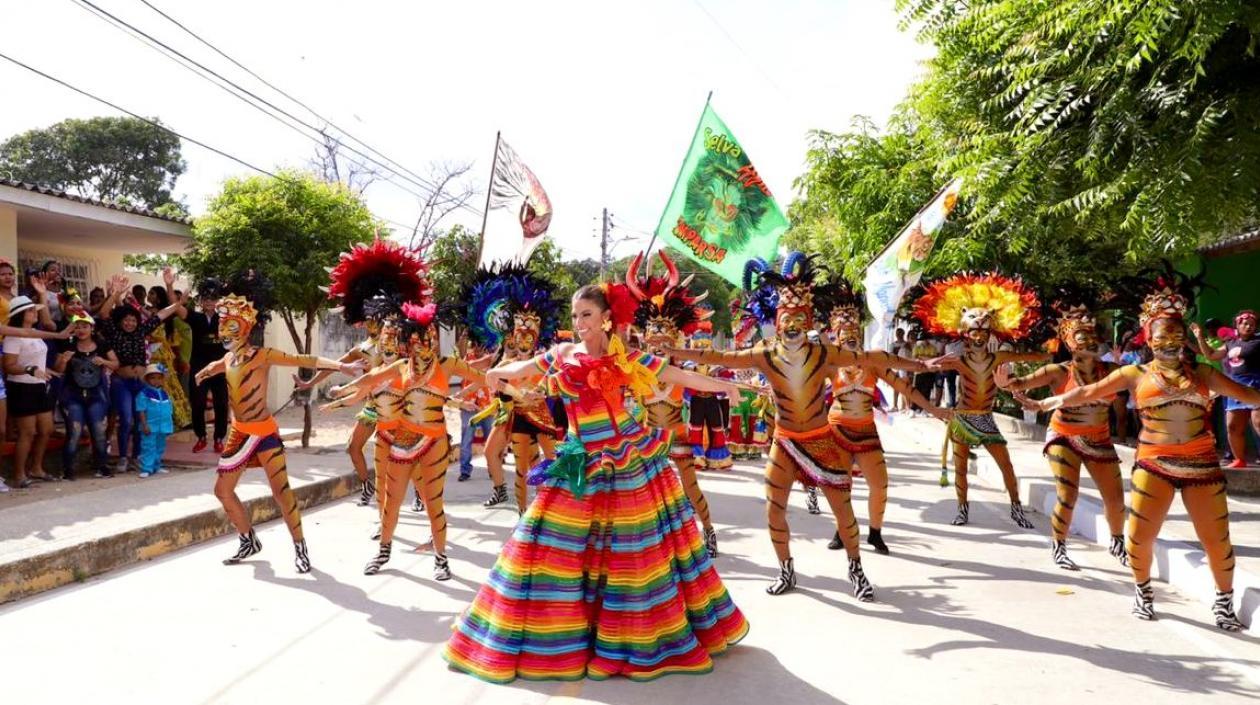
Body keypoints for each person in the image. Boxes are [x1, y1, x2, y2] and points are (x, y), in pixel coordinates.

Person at [443, 283, 749, 683]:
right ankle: (557, 634)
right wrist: (497, 372)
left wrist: (724, 385)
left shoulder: (626, 357)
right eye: (575, 316)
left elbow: (676, 374)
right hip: (579, 457)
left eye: (586, 314)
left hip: (625, 456)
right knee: (544, 540)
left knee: (629, 553)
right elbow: (524, 368)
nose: (579, 322)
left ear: (605, 318)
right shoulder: (562, 354)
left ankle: (625, 637)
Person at [1024, 270, 1260, 631]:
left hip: (1201, 465)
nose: (1170, 342)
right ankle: (1144, 592)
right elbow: (1088, 392)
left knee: (1216, 540)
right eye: (1162, 336)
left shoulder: (1204, 374)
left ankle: (1224, 603)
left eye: (1177, 335)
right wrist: (1047, 403)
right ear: (1149, 338)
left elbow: (1251, 396)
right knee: (1140, 536)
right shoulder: (1133, 374)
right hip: (1153, 464)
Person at [669, 253, 917, 597]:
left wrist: (924, 365)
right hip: (784, 441)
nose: (793, 324)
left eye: (801, 317)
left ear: (809, 320)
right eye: (787, 317)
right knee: (774, 510)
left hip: (821, 439)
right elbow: (717, 357)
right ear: (778, 318)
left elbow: (873, 358)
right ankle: (786, 570)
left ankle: (857, 570)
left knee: (843, 511)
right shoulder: (764, 354)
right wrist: (676, 352)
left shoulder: (823, 354)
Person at [195, 271, 359, 574]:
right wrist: (205, 371)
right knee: (222, 491)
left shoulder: (263, 355)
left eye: (231, 326)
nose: (224, 331)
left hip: (264, 434)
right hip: (238, 433)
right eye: (222, 325)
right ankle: (248, 539)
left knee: (281, 492)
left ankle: (300, 547)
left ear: (245, 328)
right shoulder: (228, 359)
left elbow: (304, 358)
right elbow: (219, 365)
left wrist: (339, 365)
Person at [325, 296, 486, 580]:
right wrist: (342, 391)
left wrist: (512, 392)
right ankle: (383, 552)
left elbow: (485, 378)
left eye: (430, 339)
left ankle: (441, 559)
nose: (425, 345)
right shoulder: (401, 366)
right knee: (392, 501)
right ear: (409, 344)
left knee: (434, 503)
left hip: (434, 442)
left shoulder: (447, 364)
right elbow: (370, 379)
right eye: (418, 341)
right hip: (402, 441)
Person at [624, 250, 749, 557]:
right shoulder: (634, 367)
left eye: (664, 338)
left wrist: (726, 386)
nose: (657, 343)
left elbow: (700, 381)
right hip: (646, 439)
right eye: (653, 338)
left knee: (691, 487)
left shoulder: (680, 370)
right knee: (639, 493)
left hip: (676, 436)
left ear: (675, 340)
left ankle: (708, 531)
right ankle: (648, 544)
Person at [999, 292, 1129, 570]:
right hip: (1064, 437)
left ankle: (1118, 543)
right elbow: (1019, 383)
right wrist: (1004, 382)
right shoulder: (1057, 371)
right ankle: (1059, 546)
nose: (1090, 341)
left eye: (1093, 335)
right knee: (1068, 495)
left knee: (1116, 499)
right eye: (1082, 336)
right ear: (1069, 343)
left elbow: (1142, 381)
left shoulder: (1112, 370)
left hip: (1099, 438)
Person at [911, 272, 1049, 528]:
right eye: (974, 331)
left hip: (986, 419)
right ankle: (962, 510)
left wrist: (1051, 350)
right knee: (960, 468)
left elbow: (1034, 357)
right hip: (962, 419)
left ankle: (1016, 509)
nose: (979, 336)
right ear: (966, 333)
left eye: (983, 331)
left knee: (1006, 466)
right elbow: (923, 366)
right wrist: (921, 364)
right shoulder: (958, 360)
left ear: (990, 333)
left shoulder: (998, 358)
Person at [821, 277, 947, 554]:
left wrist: (934, 409)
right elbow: (803, 382)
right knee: (840, 486)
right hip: (837, 430)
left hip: (866, 431)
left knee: (879, 484)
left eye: (854, 330)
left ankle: (875, 533)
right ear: (836, 336)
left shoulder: (874, 361)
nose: (850, 335)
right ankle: (841, 531)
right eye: (843, 331)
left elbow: (904, 386)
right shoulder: (830, 364)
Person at [460, 265, 563, 513]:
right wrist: (459, 394)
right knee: (509, 460)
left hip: (537, 416)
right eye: (518, 336)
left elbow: (557, 382)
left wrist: (545, 390)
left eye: (528, 336)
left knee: (542, 463)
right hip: (509, 413)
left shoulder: (542, 360)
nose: (520, 341)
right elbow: (486, 377)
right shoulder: (502, 360)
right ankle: (516, 505)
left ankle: (547, 508)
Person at [98, 273, 183, 472]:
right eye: (126, 320)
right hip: (122, 382)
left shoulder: (141, 331)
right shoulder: (114, 332)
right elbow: (103, 313)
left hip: (141, 384)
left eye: (133, 320)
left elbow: (161, 315)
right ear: (120, 321)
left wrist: (178, 304)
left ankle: (136, 456)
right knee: (126, 419)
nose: (130, 323)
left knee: (139, 419)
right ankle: (123, 457)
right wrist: (115, 294)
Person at [3, 296, 61, 487]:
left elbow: (37, 359)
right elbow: (9, 366)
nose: (35, 312)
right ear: (21, 314)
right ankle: (19, 474)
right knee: (27, 432)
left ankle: (36, 468)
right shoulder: (13, 337)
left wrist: (45, 370)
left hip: (39, 385)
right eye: (31, 310)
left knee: (46, 429)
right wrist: (30, 370)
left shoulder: (35, 333)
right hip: (21, 387)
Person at [53, 313, 118, 479]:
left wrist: (104, 362)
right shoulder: (68, 345)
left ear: (92, 328)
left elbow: (116, 363)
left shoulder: (101, 344)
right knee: (74, 431)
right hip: (73, 395)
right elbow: (58, 370)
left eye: (84, 326)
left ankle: (101, 466)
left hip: (96, 394)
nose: (81, 330)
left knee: (98, 430)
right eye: (77, 327)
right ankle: (68, 469)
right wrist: (64, 361)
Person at [1193, 310, 1259, 468]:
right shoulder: (1230, 343)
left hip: (1256, 386)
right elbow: (1210, 355)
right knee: (1233, 427)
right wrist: (1199, 337)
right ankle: (1239, 460)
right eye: (1245, 324)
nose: (1248, 326)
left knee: (1258, 423)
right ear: (1237, 325)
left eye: (1252, 324)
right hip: (1234, 387)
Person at [180, 279, 229, 455]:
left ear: (218, 301)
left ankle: (219, 439)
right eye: (206, 298)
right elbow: (177, 308)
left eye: (213, 298)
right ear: (201, 301)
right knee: (198, 403)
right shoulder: (196, 318)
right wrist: (170, 287)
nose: (209, 302)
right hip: (199, 368)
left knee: (221, 403)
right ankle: (201, 437)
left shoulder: (225, 319)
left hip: (220, 368)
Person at [145, 275, 191, 430]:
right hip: (150, 355)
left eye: (152, 293)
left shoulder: (164, 314)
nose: (149, 295)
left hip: (162, 355)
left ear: (159, 297)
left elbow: (171, 339)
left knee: (168, 386)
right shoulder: (147, 311)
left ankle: (177, 419)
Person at [136, 363, 174, 478]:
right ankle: (146, 468)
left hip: (163, 426)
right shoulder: (144, 394)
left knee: (160, 446)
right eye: (153, 378)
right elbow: (141, 410)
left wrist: (169, 425)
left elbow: (169, 410)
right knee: (148, 446)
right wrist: (144, 424)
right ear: (147, 379)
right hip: (150, 425)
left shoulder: (164, 393)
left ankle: (156, 466)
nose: (156, 381)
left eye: (159, 378)